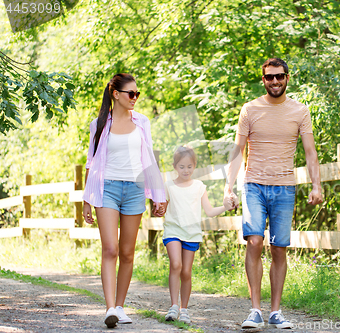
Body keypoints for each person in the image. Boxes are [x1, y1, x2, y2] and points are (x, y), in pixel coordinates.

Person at [224, 58, 323, 329]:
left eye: (279, 76)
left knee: (279, 248)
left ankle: (275, 311)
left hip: (284, 187)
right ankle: (255, 309)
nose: (275, 81)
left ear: (287, 78)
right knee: (254, 241)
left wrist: (317, 185)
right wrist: (228, 188)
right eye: (269, 77)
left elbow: (310, 151)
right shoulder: (250, 109)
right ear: (263, 80)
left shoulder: (300, 111)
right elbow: (238, 150)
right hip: (253, 185)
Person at [82, 73, 167, 328]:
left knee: (128, 252)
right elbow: (91, 161)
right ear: (116, 94)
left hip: (134, 190)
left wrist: (159, 194)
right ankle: (109, 308)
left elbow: (150, 158)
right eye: (131, 93)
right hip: (106, 188)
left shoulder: (142, 122)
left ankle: (120, 306)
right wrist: (86, 200)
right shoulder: (99, 124)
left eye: (137, 94)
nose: (135, 98)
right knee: (111, 249)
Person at [163, 146, 233, 324]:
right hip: (173, 231)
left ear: (194, 166)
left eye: (189, 166)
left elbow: (209, 211)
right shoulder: (169, 185)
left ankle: (184, 309)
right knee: (176, 264)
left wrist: (225, 207)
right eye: (181, 166)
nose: (185, 170)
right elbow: (161, 207)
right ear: (174, 166)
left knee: (186, 271)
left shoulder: (200, 187)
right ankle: (173, 306)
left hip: (191, 234)